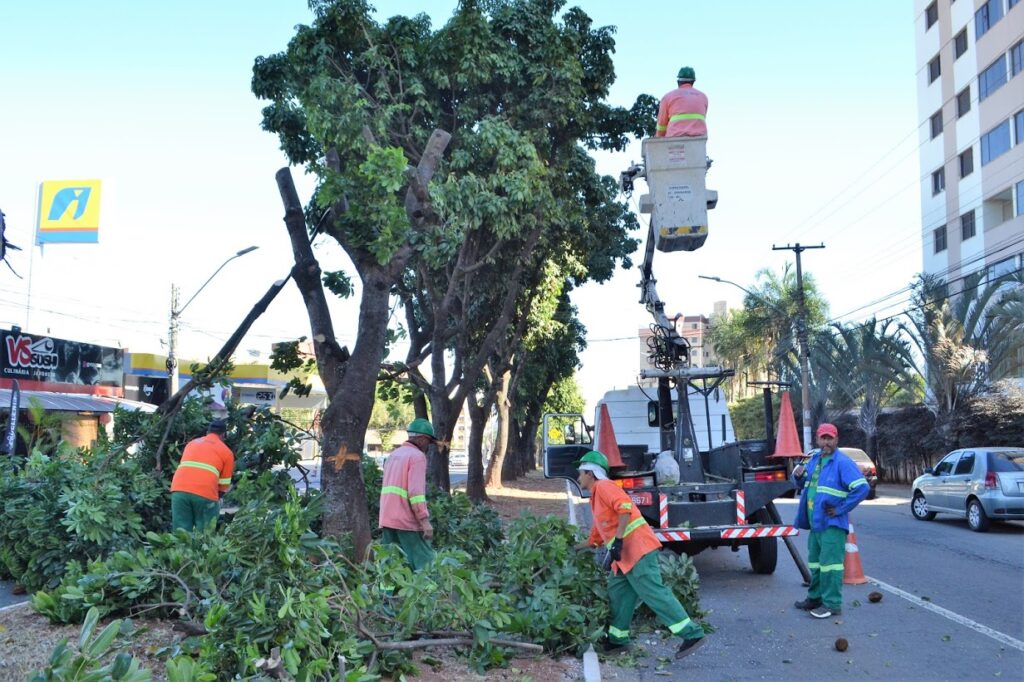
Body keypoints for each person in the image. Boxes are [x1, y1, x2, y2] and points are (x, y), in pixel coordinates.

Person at [573, 450, 706, 659]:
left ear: (591, 473)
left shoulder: (605, 487)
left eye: (580, 472)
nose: (578, 477)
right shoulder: (596, 497)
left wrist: (617, 541)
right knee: (618, 594)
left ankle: (692, 633)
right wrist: (573, 548)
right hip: (624, 558)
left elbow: (625, 508)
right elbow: (595, 538)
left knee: (653, 592)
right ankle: (618, 640)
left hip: (638, 550)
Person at [792, 423, 870, 619]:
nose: (826, 442)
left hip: (832, 525)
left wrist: (841, 509)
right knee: (816, 563)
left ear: (836, 440)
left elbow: (862, 488)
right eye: (823, 438)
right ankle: (815, 598)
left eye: (830, 438)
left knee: (831, 565)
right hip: (816, 523)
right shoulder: (815, 460)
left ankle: (832, 604)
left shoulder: (843, 462)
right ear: (817, 440)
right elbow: (805, 484)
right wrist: (798, 478)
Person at [379, 418, 435, 571]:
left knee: (390, 562)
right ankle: (431, 592)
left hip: (387, 517)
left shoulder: (394, 455)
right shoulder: (417, 457)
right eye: (429, 442)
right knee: (424, 558)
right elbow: (416, 493)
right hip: (406, 519)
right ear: (422, 439)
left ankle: (385, 594)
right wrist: (424, 521)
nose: (428, 446)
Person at [170, 418, 234, 532]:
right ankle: (200, 549)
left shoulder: (192, 444)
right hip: (205, 492)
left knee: (181, 531)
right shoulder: (226, 452)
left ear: (207, 432)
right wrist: (216, 498)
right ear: (223, 435)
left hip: (178, 490)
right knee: (205, 533)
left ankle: (180, 549)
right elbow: (224, 484)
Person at [656, 66, 708, 138]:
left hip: (674, 139)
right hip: (699, 140)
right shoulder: (703, 97)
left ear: (678, 81)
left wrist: (659, 141)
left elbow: (661, 126)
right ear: (693, 81)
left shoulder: (668, 97)